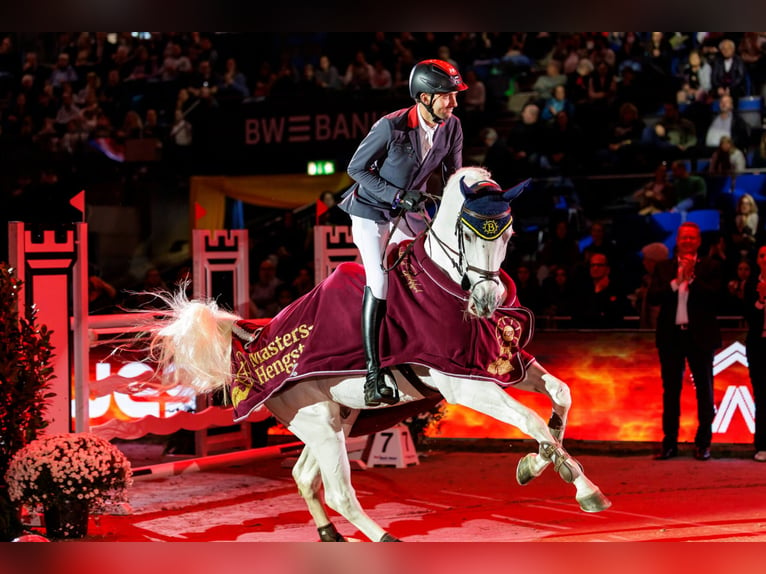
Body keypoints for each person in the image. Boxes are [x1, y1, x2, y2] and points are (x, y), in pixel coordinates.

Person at [338, 58, 467, 407]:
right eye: (446, 96)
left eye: (454, 96)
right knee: (379, 281)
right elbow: (356, 169)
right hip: (371, 212)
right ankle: (371, 373)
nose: (453, 103)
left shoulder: (451, 126)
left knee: (437, 266)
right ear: (424, 98)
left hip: (410, 210)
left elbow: (454, 177)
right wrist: (396, 195)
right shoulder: (390, 126)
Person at [648, 222, 722, 461]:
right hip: (671, 337)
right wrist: (676, 282)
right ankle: (669, 444)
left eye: (692, 238)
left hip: (700, 337)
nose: (687, 241)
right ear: (677, 241)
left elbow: (717, 299)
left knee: (705, 391)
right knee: (671, 391)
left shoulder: (711, 266)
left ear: (699, 241)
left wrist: (693, 280)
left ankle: (704, 443)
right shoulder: (663, 267)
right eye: (683, 238)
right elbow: (653, 297)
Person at [743, 244, 766, 462]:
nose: (765, 259)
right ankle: (762, 444)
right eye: (762, 256)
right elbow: (747, 315)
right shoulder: (751, 284)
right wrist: (760, 300)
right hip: (758, 346)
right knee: (761, 395)